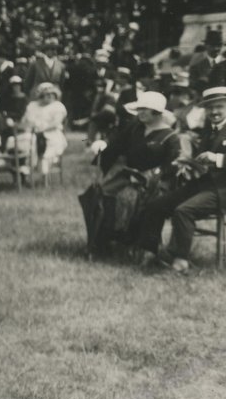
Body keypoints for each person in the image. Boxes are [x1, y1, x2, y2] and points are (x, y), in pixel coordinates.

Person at [136, 87, 226, 273]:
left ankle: (181, 261)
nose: (214, 112)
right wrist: (187, 165)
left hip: (222, 189)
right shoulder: (209, 130)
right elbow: (201, 160)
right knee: (156, 205)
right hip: (203, 184)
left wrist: (217, 159)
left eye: (220, 107)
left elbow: (215, 160)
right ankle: (151, 253)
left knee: (184, 211)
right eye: (210, 108)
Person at [86, 92, 187, 253]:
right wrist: (99, 161)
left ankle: (135, 242)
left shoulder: (171, 137)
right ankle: (103, 241)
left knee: (130, 197)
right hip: (129, 176)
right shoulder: (135, 129)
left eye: (146, 109)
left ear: (158, 112)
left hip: (156, 182)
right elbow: (115, 147)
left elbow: (172, 166)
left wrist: (152, 175)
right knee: (101, 193)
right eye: (139, 109)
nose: (141, 113)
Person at [17, 82, 68, 178]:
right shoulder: (32, 106)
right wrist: (28, 127)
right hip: (31, 133)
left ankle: (29, 166)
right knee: (20, 141)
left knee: (35, 142)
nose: (50, 96)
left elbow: (56, 123)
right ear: (40, 95)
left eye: (52, 94)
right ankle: (20, 166)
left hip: (51, 134)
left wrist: (42, 128)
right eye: (47, 94)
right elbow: (24, 121)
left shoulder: (57, 106)